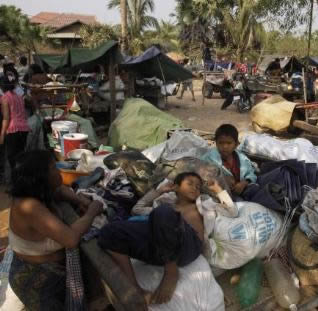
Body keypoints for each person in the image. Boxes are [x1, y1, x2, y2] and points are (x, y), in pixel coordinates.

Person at [98, 172, 236, 308]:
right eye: (190, 183)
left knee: (165, 212)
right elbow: (137, 209)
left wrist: (218, 190)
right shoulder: (162, 203)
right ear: (175, 187)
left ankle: (171, 272)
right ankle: (135, 289)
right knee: (109, 231)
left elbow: (232, 211)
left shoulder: (204, 204)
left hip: (188, 246)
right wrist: (158, 191)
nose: (195, 188)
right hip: (160, 248)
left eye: (198, 186)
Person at [8, 150, 104, 310]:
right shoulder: (29, 206)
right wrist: (92, 211)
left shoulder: (38, 192)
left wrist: (80, 200)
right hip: (39, 281)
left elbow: (59, 190)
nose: (58, 171)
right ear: (40, 176)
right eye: (53, 168)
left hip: (52, 271)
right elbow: (71, 238)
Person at [201, 124, 256, 197]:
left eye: (229, 143)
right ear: (216, 143)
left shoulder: (241, 158)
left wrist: (244, 183)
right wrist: (222, 178)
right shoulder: (209, 158)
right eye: (221, 143)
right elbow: (201, 174)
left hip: (244, 188)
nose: (225, 146)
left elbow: (251, 173)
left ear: (236, 144)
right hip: (225, 194)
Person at [0, 73, 30, 171]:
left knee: (12, 158)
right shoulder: (18, 96)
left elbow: (6, 118)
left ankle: (16, 179)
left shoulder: (5, 98)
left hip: (13, 130)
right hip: (24, 128)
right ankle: (22, 176)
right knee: (20, 155)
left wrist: (2, 134)